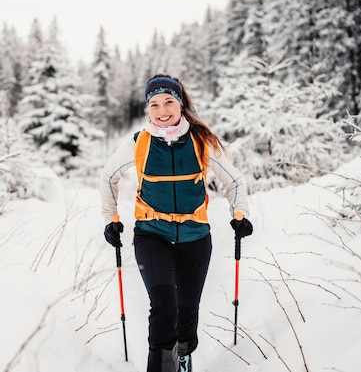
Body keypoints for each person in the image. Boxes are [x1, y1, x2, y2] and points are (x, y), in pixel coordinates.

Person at [99, 74, 253, 372]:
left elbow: (234, 180)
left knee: (186, 311)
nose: (162, 109)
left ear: (180, 104)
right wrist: (111, 218)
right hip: (151, 233)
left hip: (195, 236)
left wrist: (240, 212)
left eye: (169, 101)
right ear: (148, 108)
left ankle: (183, 354)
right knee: (163, 304)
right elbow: (108, 177)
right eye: (154, 104)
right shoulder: (139, 142)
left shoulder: (201, 141)